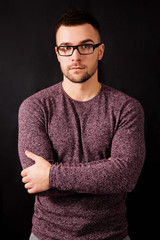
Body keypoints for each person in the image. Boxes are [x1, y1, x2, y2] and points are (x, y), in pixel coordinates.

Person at [18, 9, 145, 240]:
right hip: (47, 235)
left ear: (100, 51)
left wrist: (52, 174)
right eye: (66, 48)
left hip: (112, 235)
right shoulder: (34, 107)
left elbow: (125, 175)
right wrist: (105, 169)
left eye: (85, 46)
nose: (75, 56)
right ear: (58, 53)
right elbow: (36, 180)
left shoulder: (126, 108)